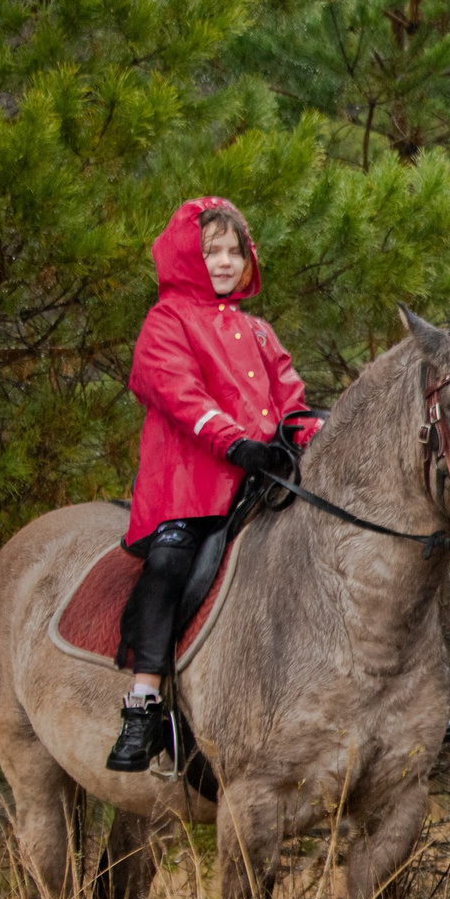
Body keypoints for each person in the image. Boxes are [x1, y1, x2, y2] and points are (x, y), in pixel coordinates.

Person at [108, 198, 311, 772]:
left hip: (260, 484)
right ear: (184, 256)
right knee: (171, 562)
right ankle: (144, 699)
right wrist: (236, 442)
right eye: (210, 251)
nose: (224, 262)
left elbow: (291, 404)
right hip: (188, 486)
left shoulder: (258, 330)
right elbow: (177, 394)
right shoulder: (165, 321)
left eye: (234, 251)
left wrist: (314, 436)